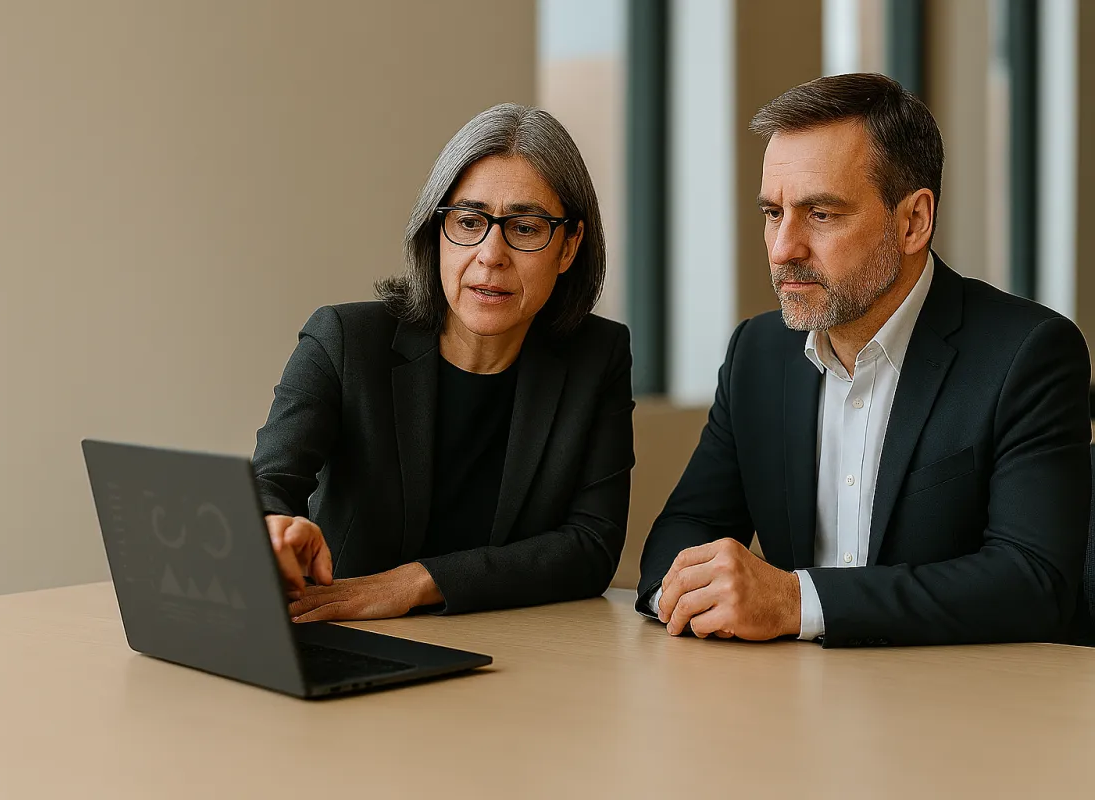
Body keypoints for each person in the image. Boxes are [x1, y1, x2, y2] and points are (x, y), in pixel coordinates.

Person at [637, 73, 1091, 647]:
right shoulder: (757, 352)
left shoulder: (1028, 353)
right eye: (773, 213)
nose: (783, 249)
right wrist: (685, 595)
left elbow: (1033, 582)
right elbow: (686, 528)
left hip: (966, 709)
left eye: (821, 215)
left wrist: (796, 603)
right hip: (788, 700)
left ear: (912, 222)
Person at [254, 103, 634, 623]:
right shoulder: (344, 341)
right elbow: (267, 483)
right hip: (346, 635)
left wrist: (416, 582)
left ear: (568, 246)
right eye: (469, 221)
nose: (490, 254)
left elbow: (591, 545)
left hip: (514, 659)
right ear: (436, 232)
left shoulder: (598, 357)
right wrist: (275, 526)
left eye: (524, 227)